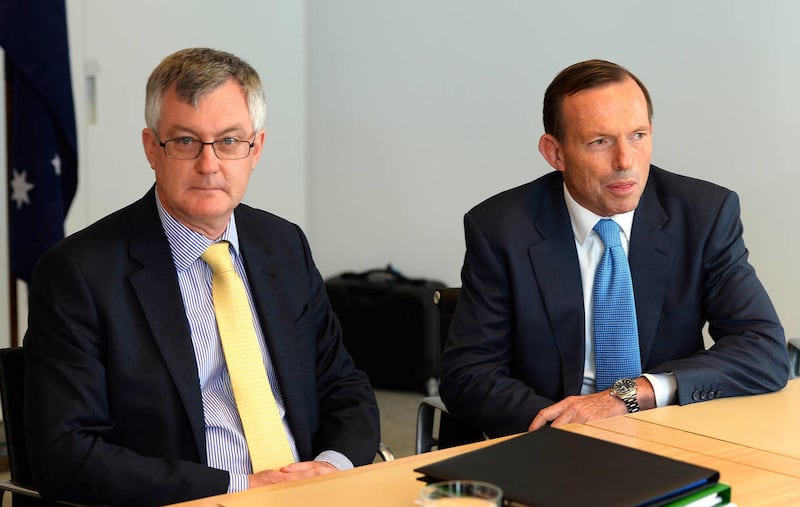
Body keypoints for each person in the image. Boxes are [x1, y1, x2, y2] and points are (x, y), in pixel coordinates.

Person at [23, 48, 380, 506]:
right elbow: (67, 454)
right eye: (185, 141)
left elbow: (343, 386)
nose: (209, 165)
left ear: (256, 149)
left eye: (229, 141)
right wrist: (241, 489)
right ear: (152, 148)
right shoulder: (79, 274)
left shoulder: (284, 244)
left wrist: (331, 467)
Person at [439, 59, 790, 439]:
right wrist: (564, 426)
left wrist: (631, 395)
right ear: (555, 153)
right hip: (552, 440)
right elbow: (468, 374)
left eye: (637, 136)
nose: (625, 161)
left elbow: (762, 348)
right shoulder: (502, 228)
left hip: (669, 431)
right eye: (599, 142)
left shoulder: (702, 215)